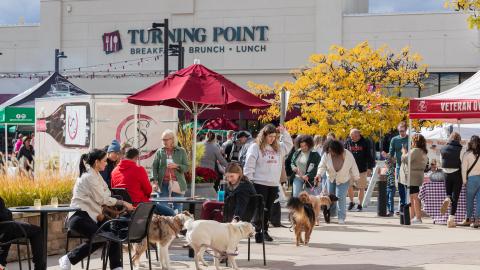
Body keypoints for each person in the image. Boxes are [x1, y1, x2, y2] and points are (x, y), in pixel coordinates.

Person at [59, 149, 134, 270]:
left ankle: (117, 267)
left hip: (92, 216)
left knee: (113, 235)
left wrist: (106, 198)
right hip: (79, 216)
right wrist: (123, 202)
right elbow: (103, 198)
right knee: (101, 238)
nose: (106, 163)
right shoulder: (89, 177)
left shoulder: (96, 175)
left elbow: (107, 193)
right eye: (104, 161)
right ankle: (68, 258)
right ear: (96, 162)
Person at [244, 124, 293, 242]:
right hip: (259, 183)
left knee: (268, 209)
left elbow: (289, 145)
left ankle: (265, 230)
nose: (272, 139)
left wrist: (284, 133)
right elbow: (249, 163)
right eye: (270, 136)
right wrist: (249, 180)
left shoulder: (278, 148)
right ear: (264, 135)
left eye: (274, 137)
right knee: (259, 208)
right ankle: (258, 231)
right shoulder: (255, 147)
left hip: (273, 184)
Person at [111, 148, 175, 216]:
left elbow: (114, 189)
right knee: (171, 213)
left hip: (123, 207)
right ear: (136, 157)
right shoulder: (139, 170)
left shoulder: (114, 171)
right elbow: (148, 190)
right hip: (140, 206)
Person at [315, 139, 359, 224]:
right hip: (331, 178)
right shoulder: (326, 155)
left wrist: (356, 177)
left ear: (337, 149)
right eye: (328, 151)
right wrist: (319, 174)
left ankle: (341, 217)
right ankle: (331, 214)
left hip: (343, 179)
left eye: (332, 151)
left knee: (340, 197)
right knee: (330, 199)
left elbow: (353, 166)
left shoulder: (347, 154)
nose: (330, 153)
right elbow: (322, 166)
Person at [0, 196, 46, 270]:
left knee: (6, 234)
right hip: (6, 227)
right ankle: (39, 267)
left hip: (4, 230)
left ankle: (1, 264)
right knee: (37, 231)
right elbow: (4, 215)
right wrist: (8, 212)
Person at [152, 129, 189, 212]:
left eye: (166, 139)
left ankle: (178, 224)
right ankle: (164, 224)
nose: (164, 142)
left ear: (172, 139)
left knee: (178, 208)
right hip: (163, 183)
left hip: (178, 183)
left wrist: (177, 166)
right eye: (163, 140)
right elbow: (154, 167)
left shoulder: (181, 151)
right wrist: (154, 181)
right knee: (162, 208)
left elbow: (186, 168)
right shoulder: (160, 152)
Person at [400, 133, 428, 225]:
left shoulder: (415, 150)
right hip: (417, 175)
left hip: (412, 176)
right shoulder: (423, 151)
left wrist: (404, 152)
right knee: (412, 197)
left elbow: (405, 159)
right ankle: (413, 217)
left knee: (414, 197)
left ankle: (418, 217)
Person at [344, 129, 375, 212]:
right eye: (351, 136)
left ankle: (360, 204)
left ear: (358, 135)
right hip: (349, 168)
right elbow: (344, 154)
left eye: (353, 136)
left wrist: (369, 168)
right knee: (349, 185)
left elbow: (369, 155)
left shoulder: (365, 142)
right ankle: (351, 202)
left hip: (361, 168)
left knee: (361, 187)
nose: (351, 138)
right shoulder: (348, 142)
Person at [439, 132, 463, 228]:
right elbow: (462, 162)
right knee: (455, 197)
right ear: (459, 139)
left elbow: (441, 161)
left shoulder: (443, 148)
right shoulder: (460, 148)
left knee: (449, 194)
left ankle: (447, 197)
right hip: (456, 173)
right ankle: (451, 219)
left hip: (445, 173)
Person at [389, 121, 409, 215]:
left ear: (406, 130)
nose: (401, 132)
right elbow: (391, 153)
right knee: (400, 186)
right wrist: (389, 157)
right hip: (399, 166)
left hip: (409, 166)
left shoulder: (410, 139)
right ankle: (403, 205)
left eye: (403, 130)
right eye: (400, 131)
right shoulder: (394, 139)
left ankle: (407, 205)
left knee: (407, 186)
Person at [461, 135, 480, 228]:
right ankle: (477, 220)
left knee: (469, 200)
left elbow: (464, 169)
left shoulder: (467, 154)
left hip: (471, 179)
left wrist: (464, 181)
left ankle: (468, 219)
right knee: (479, 201)